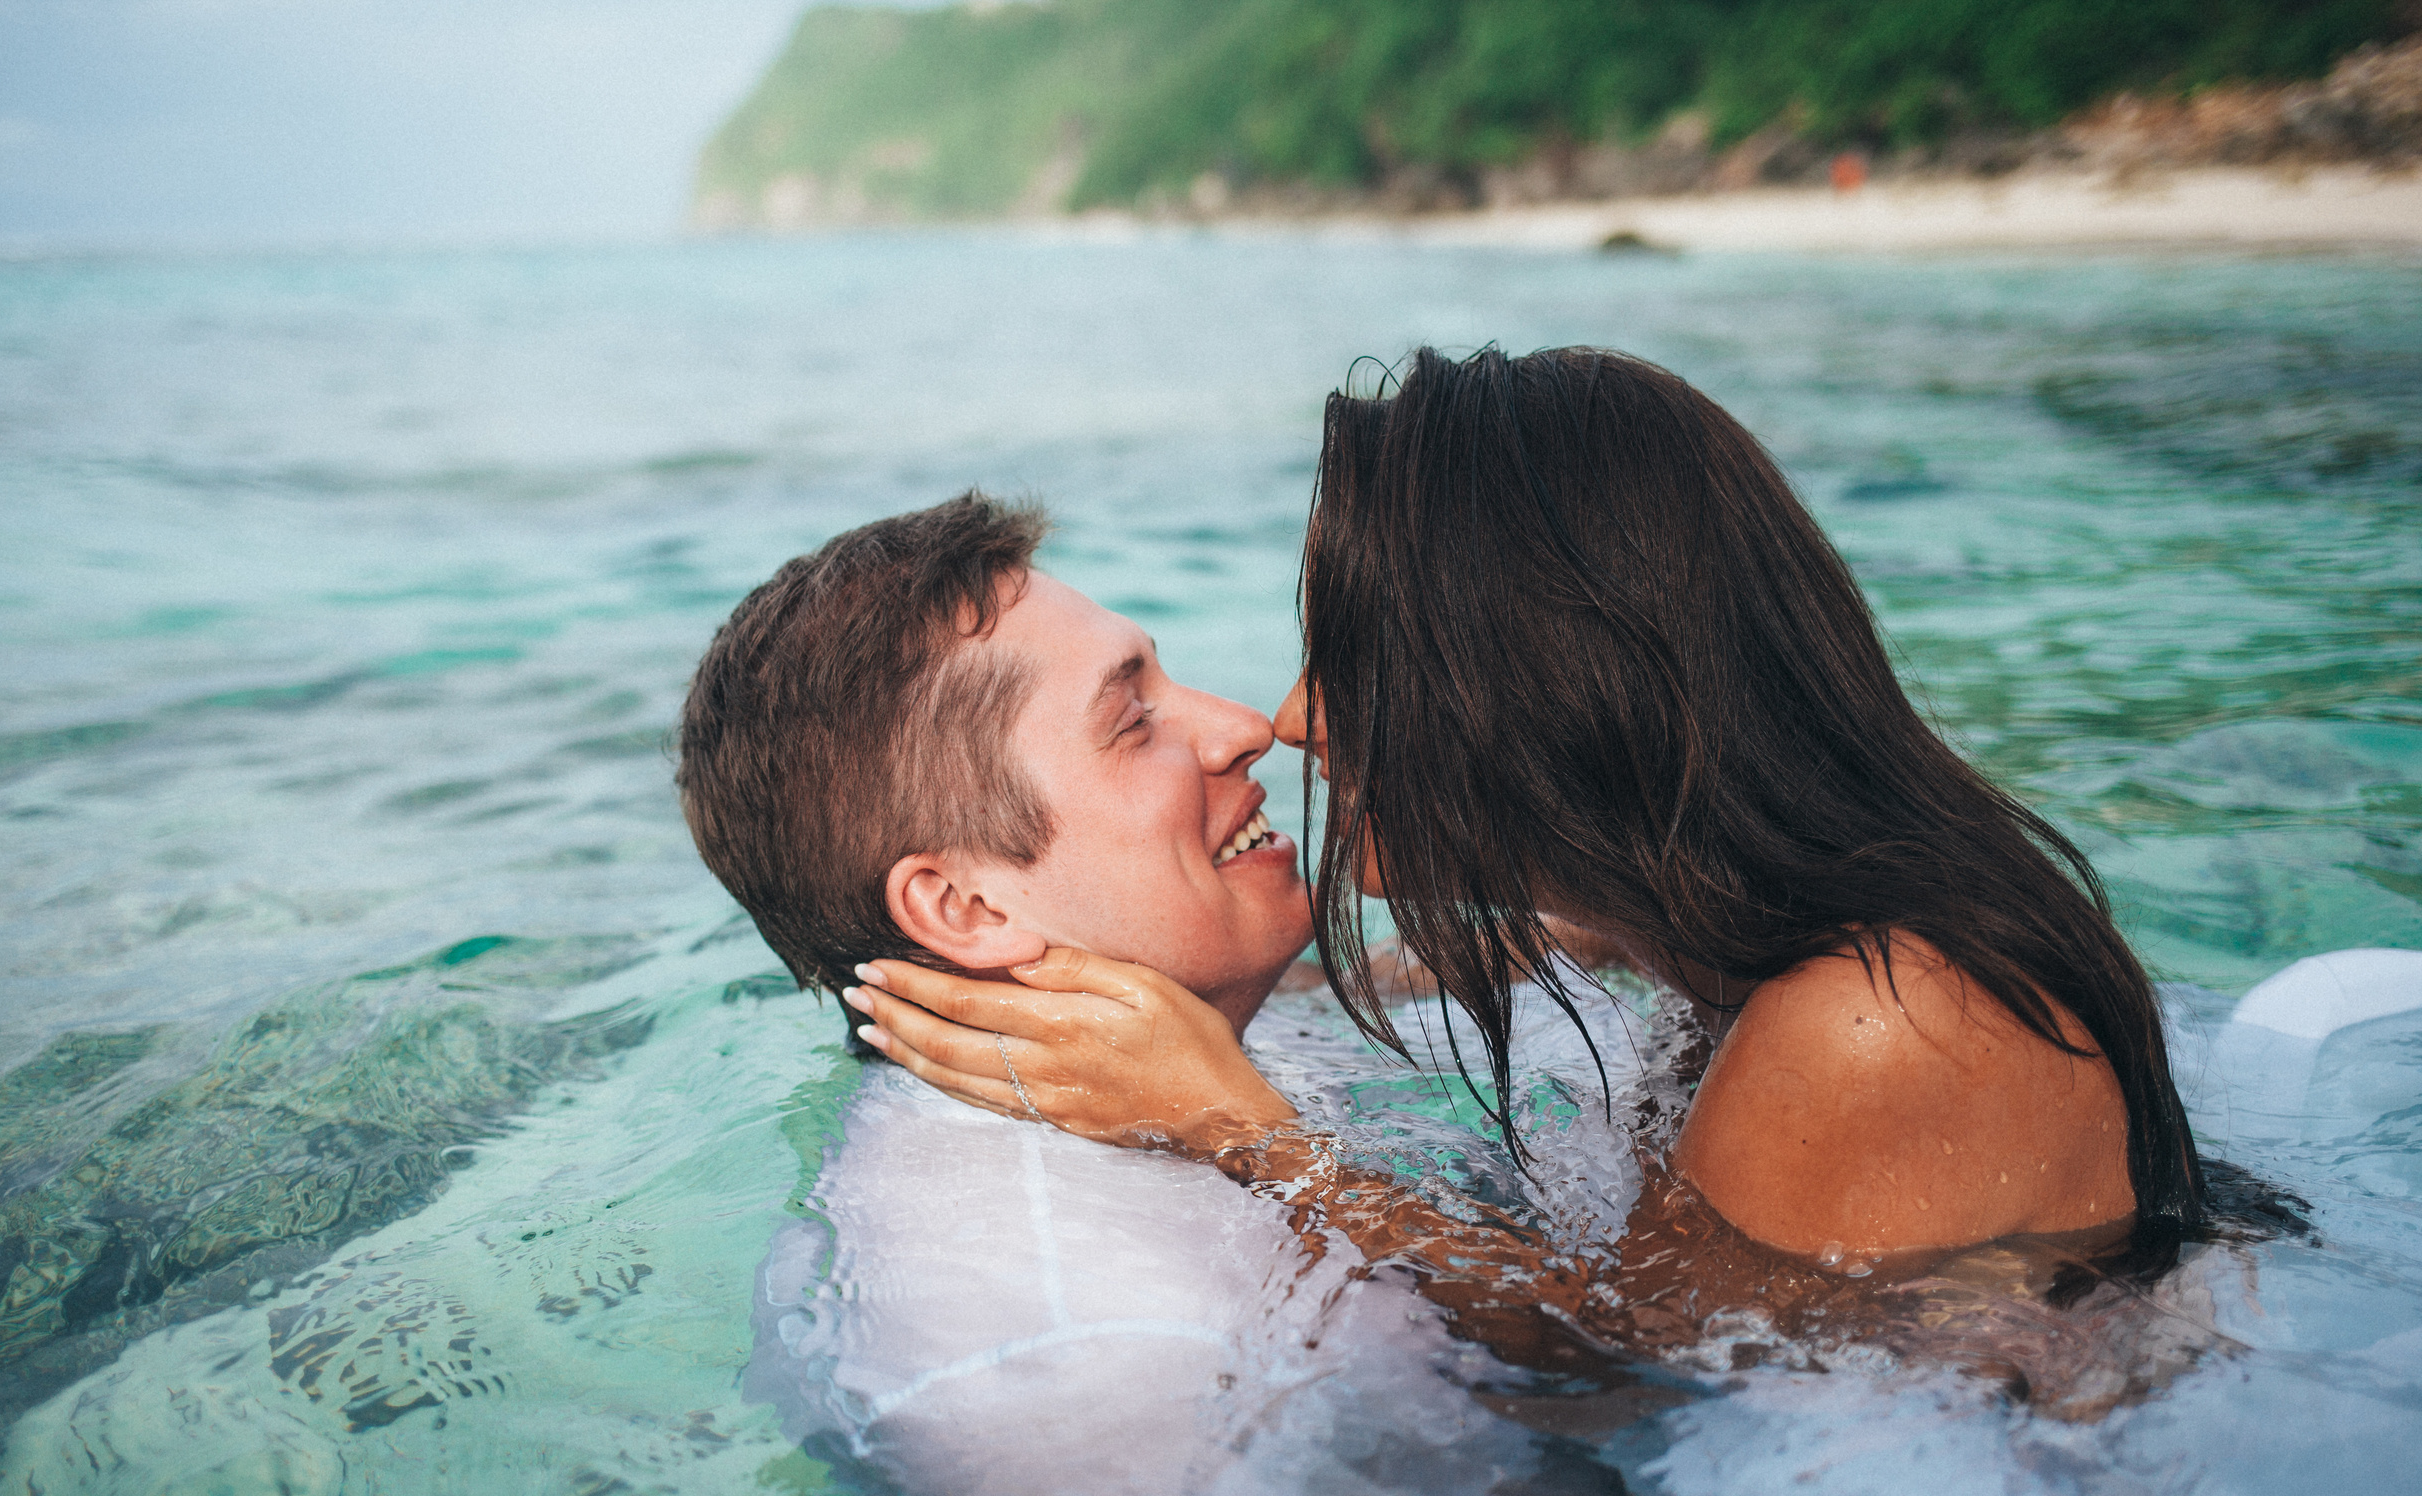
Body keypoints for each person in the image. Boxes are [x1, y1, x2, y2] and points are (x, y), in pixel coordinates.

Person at [675, 492, 1757, 1496]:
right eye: (1132, 720)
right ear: (970, 911)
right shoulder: (1086, 1358)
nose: (1247, 728)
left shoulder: (1166, 1051)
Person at [845, 346, 2209, 1274]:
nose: (1296, 717)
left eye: (1360, 658)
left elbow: (1647, 1374)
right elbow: (1517, 948)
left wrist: (1244, 1134)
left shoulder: (1881, 1014)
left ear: (1547, 682)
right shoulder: (1696, 919)